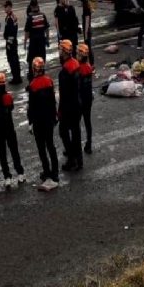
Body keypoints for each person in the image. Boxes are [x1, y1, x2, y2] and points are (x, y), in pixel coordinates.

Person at [27, 57, 59, 191]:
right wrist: (55, 116)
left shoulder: (33, 85)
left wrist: (30, 122)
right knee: (50, 146)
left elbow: (32, 107)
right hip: (49, 120)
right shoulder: (49, 81)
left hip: (39, 122)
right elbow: (53, 101)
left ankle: (47, 172)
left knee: (42, 149)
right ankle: (55, 173)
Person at [0, 72, 26, 187]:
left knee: (2, 153)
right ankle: (20, 173)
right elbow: (11, 108)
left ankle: (7, 176)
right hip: (9, 127)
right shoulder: (8, 97)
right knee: (14, 151)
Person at [57, 40, 83, 171]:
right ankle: (79, 159)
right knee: (76, 132)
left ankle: (71, 158)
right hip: (77, 103)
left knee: (63, 131)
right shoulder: (76, 64)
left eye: (60, 50)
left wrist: (60, 110)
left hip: (69, 106)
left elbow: (63, 93)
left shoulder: (65, 71)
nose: (59, 53)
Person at [24, 0, 50, 81]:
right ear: (37, 6)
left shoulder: (30, 17)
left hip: (33, 44)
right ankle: (42, 79)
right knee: (42, 61)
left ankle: (33, 81)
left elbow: (27, 33)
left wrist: (25, 43)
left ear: (31, 7)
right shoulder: (43, 15)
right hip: (42, 43)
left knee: (32, 62)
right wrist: (47, 39)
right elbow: (47, 29)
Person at [77, 43, 95, 155]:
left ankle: (76, 146)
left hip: (80, 99)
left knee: (77, 124)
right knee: (87, 121)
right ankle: (89, 144)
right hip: (88, 98)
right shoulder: (88, 67)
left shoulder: (78, 68)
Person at [3, 0, 23, 84]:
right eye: (4, 7)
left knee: (12, 60)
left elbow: (11, 32)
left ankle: (16, 78)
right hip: (13, 41)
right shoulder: (12, 16)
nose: (5, 9)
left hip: (11, 42)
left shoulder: (10, 18)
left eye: (6, 7)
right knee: (15, 59)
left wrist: (9, 43)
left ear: (10, 7)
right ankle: (17, 77)